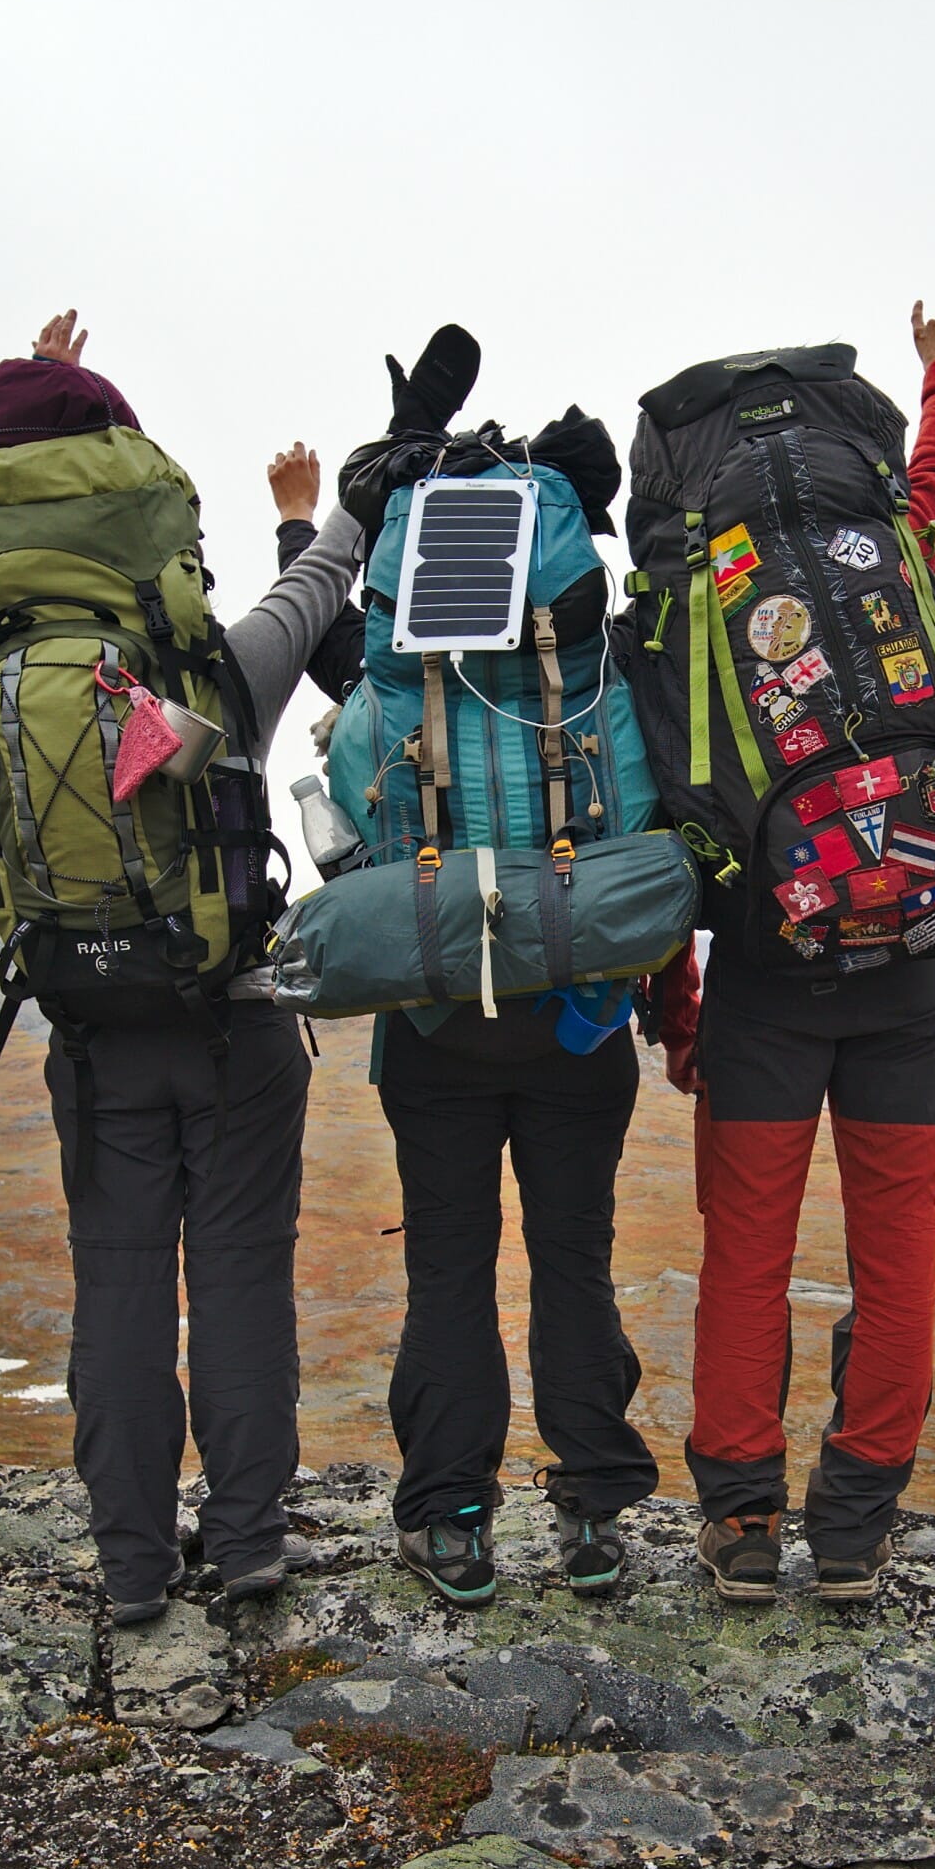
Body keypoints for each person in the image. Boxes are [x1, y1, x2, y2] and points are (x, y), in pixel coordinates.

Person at [0, 313, 366, 1622]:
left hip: (90, 1033)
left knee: (116, 1292)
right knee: (241, 1283)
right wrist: (380, 460)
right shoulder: (221, 660)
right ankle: (249, 1540)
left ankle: (132, 1563)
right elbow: (331, 567)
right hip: (233, 1025)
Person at [318, 333, 659, 1607]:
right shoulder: (600, 680)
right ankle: (590, 1512)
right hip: (579, 1023)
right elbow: (639, 817)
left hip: (433, 1025)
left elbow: (354, 807)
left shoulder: (388, 687)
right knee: (575, 1260)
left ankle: (449, 1515)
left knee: (447, 1269)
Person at [650, 297, 935, 1605]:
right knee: (899, 1254)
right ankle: (853, 1533)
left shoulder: (689, 602)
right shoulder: (886, 546)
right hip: (915, 965)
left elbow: (664, 825)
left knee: (747, 1254)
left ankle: (740, 1522)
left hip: (765, 976)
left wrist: (679, 1014)